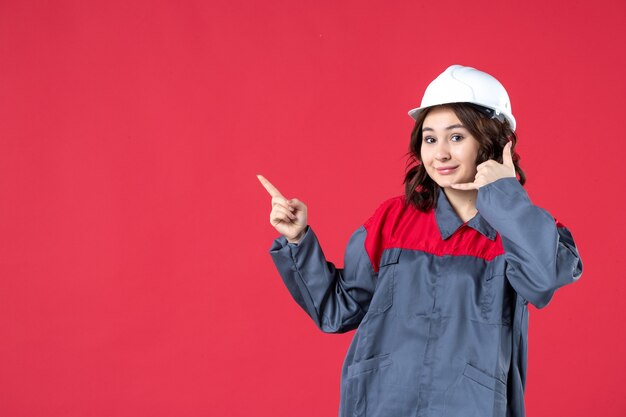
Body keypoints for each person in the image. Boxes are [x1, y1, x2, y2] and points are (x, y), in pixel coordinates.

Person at [257, 64, 583, 417]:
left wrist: (504, 196)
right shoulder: (392, 220)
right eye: (430, 138)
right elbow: (338, 310)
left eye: (456, 137)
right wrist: (298, 240)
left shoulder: (520, 229)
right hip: (380, 404)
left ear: (492, 141)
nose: (439, 153)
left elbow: (544, 280)